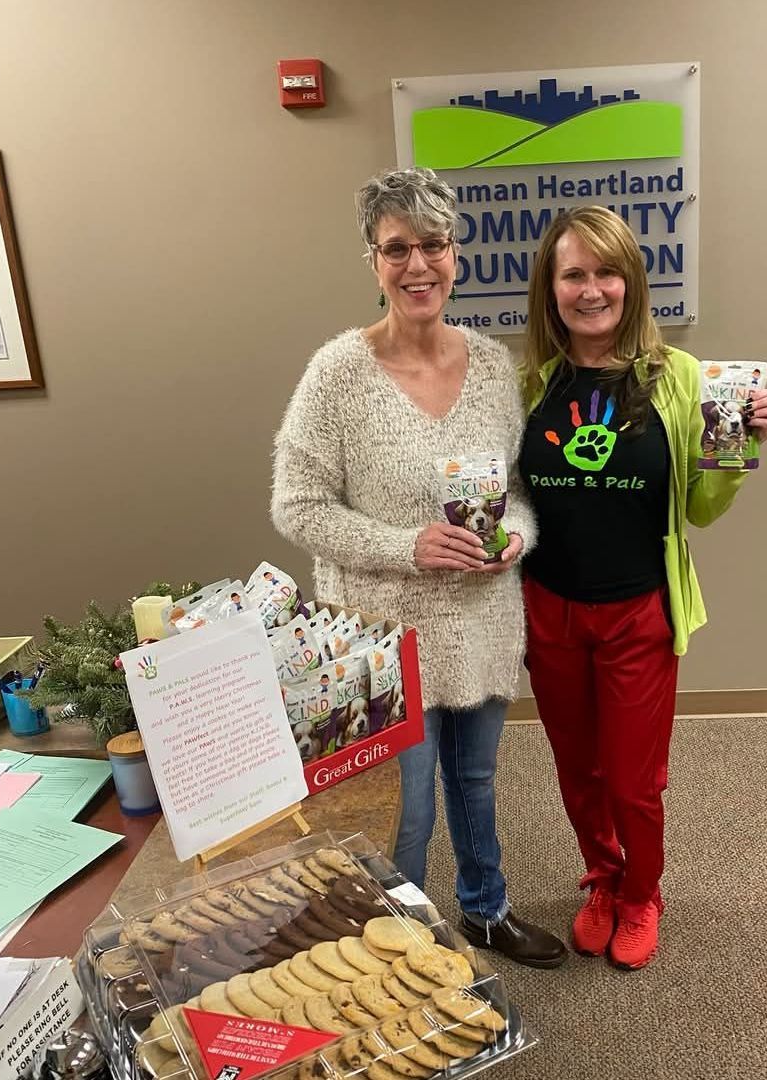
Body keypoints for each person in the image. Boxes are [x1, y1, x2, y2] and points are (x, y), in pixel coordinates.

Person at [271, 167, 566, 969]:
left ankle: (485, 910)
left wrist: (516, 540)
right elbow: (296, 507)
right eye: (396, 248)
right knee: (403, 812)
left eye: (432, 244)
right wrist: (406, 546)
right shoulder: (339, 374)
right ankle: (386, 954)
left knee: (475, 786)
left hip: (482, 622)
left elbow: (518, 497)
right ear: (374, 262)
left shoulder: (496, 367)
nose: (417, 265)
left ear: (457, 254)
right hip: (385, 637)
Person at [519, 205, 767, 970]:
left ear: (630, 283)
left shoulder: (682, 378)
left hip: (639, 610)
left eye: (606, 273)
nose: (591, 290)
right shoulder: (528, 381)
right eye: (574, 274)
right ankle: (601, 879)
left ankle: (641, 894)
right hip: (550, 609)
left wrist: (737, 453)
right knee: (578, 769)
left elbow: (699, 508)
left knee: (634, 779)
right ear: (551, 287)